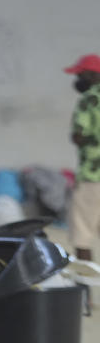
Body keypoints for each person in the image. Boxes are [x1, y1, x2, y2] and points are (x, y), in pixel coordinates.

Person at [64, 53, 100, 261]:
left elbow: (80, 136)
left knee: (82, 235)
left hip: (92, 175)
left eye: (79, 75)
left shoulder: (89, 99)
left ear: (91, 75)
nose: (76, 81)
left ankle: (85, 290)